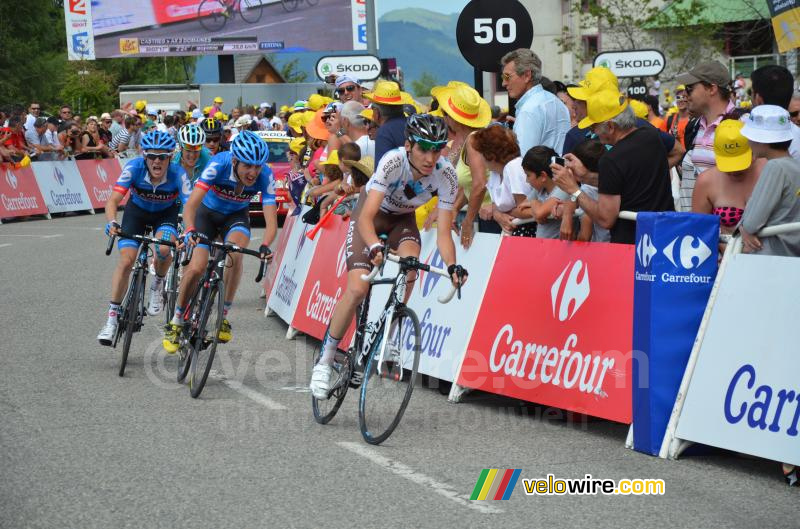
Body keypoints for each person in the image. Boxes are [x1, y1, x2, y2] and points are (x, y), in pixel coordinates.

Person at [309, 115, 469, 399]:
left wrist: (453, 265)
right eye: (424, 148)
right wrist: (373, 247)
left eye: (437, 148)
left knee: (411, 265)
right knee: (358, 289)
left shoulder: (446, 175)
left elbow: (444, 233)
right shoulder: (393, 162)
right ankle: (325, 360)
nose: (431, 157)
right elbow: (367, 218)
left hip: (402, 221)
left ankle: (390, 333)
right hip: (370, 217)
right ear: (409, 146)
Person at [163, 131, 277, 352]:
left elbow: (271, 221)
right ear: (234, 161)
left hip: (235, 218)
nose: (253, 172)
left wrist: (265, 245)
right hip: (206, 215)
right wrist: (190, 230)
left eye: (258, 166)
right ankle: (177, 320)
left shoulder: (266, 175)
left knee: (236, 254)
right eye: (247, 166)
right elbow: (191, 206)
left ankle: (222, 315)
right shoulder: (218, 164)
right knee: (196, 268)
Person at [97, 131, 192, 344]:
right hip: (136, 213)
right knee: (126, 260)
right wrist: (112, 222)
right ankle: (111, 320)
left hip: (165, 216)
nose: (156, 161)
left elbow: (190, 207)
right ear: (144, 156)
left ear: (171, 156)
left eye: (162, 156)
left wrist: (189, 231)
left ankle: (157, 284)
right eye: (151, 156)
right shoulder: (133, 168)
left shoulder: (179, 174)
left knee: (164, 249)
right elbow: (113, 201)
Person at [551, 90, 674, 244]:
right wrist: (585, 177)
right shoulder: (651, 136)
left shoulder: (611, 159)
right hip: (664, 235)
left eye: (594, 126)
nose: (592, 132)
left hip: (632, 246)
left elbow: (605, 218)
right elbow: (629, 182)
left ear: (610, 126)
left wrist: (573, 189)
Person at [563, 67, 685, 168]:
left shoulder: (638, 127)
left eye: (581, 100)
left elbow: (678, 151)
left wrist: (647, 179)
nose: (574, 105)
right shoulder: (574, 136)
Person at [430, 82, 493, 245]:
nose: (444, 117)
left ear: (455, 119)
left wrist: (468, 221)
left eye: (446, 113)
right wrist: (454, 207)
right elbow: (471, 186)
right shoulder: (473, 139)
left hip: (491, 217)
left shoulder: (472, 141)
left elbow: (480, 185)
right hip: (488, 214)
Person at [739, 105, 800, 256]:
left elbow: (751, 223)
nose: (748, 142)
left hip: (770, 255)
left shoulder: (775, 167)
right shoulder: (795, 165)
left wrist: (742, 227)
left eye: (750, 137)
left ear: (761, 139)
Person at [675, 60, 735, 211]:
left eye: (689, 89)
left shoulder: (741, 124)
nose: (684, 95)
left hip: (725, 229)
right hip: (696, 227)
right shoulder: (694, 125)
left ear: (712, 89)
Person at [691, 119, 764, 234]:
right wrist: (722, 246)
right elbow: (700, 229)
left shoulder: (770, 169)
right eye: (728, 165)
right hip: (725, 249)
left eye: (740, 163)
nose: (734, 171)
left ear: (753, 151)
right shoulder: (706, 181)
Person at [468, 125, 539, 237]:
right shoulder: (495, 172)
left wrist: (501, 213)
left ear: (490, 154)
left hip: (528, 232)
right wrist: (497, 213)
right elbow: (495, 206)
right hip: (512, 231)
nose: (480, 157)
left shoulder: (514, 167)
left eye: (481, 152)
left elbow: (526, 210)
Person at [501, 48, 570, 155]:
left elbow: (522, 163)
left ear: (527, 75)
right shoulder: (557, 102)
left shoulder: (529, 109)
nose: (503, 83)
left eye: (507, 76)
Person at [366, 80, 410, 164]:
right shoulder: (411, 124)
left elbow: (381, 172)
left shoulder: (384, 132)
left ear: (377, 112)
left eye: (372, 109)